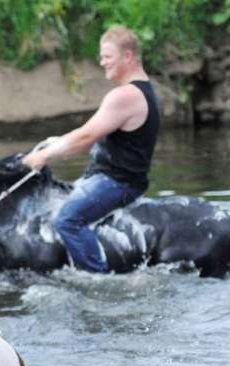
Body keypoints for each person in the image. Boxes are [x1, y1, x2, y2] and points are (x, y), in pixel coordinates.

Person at [22, 25, 160, 273]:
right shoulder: (143, 91)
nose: (102, 62)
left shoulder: (125, 96)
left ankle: (98, 278)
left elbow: (86, 136)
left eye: (107, 56)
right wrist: (59, 142)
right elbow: (90, 134)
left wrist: (42, 156)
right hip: (113, 177)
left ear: (128, 56)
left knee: (67, 220)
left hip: (117, 182)